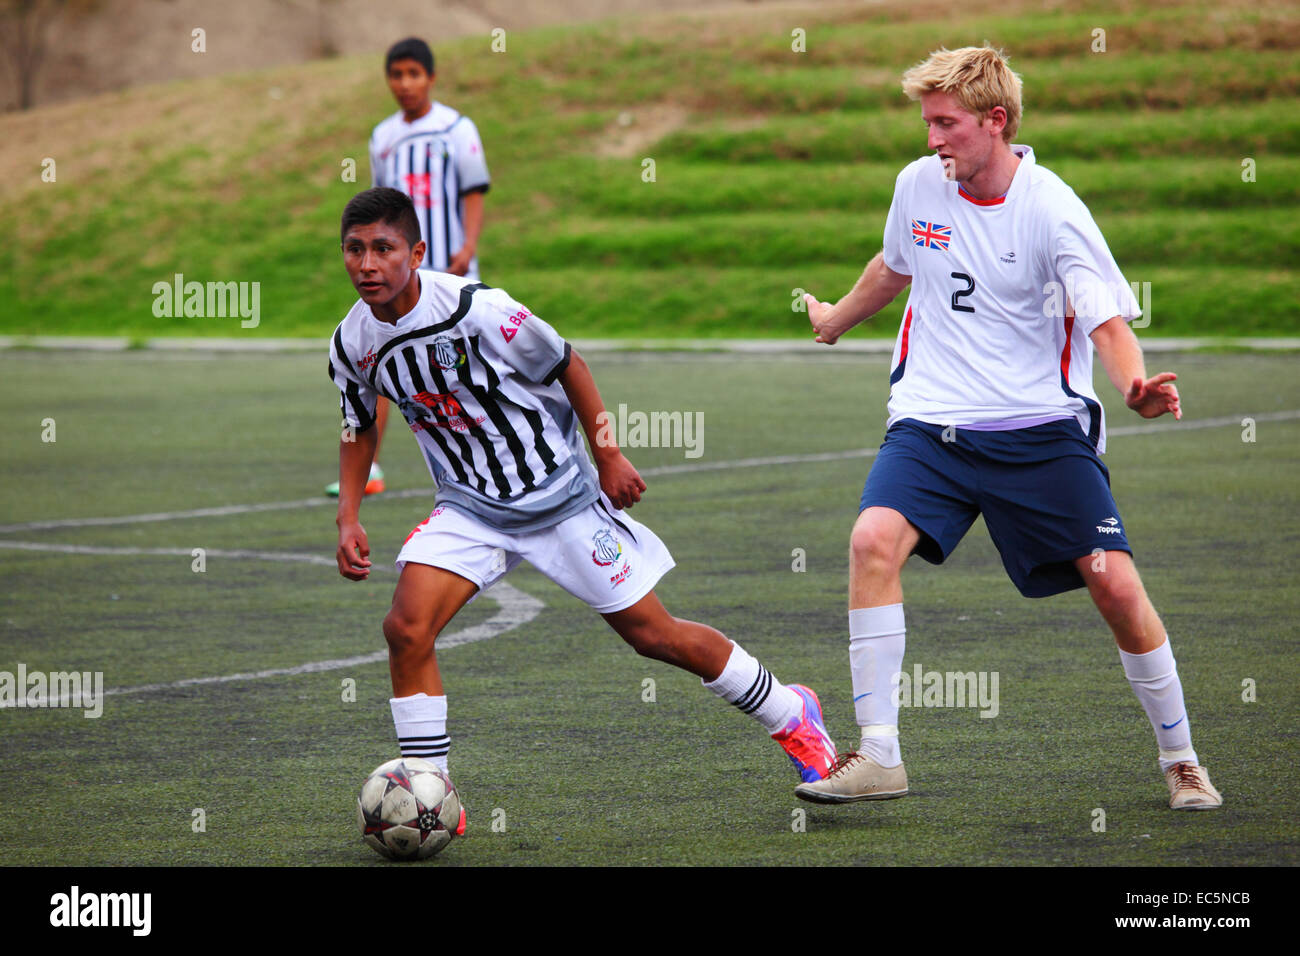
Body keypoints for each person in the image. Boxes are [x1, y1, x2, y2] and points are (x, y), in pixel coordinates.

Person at [795, 46, 1221, 811]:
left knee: (1113, 582)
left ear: (996, 122)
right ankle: (879, 756)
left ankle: (1181, 757)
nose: (932, 140)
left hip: (1039, 430)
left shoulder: (1053, 209)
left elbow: (1106, 320)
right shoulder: (919, 185)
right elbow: (894, 266)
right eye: (927, 123)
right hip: (931, 423)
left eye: (946, 124)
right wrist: (836, 320)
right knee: (870, 541)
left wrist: (1133, 384)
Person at [329, 188, 837, 823]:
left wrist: (609, 456)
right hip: (469, 510)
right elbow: (358, 427)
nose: (368, 264)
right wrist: (349, 515)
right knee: (405, 628)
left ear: (417, 252)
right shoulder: (351, 342)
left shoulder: (477, 309)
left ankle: (793, 716)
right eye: (355, 250)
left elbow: (569, 363)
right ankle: (433, 795)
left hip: (558, 500)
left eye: (384, 248)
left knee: (655, 636)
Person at [326, 37, 491, 497]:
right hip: (396, 275)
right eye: (396, 75)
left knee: (461, 365)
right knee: (380, 359)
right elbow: (380, 206)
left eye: (413, 74)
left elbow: (472, 191)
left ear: (431, 78)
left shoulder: (457, 128)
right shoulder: (383, 136)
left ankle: (480, 457)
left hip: (447, 267)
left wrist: (468, 244)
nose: (404, 84)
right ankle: (371, 467)